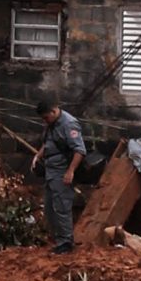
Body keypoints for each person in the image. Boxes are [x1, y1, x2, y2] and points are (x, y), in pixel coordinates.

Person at [31, 90, 86, 251]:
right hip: (50, 172)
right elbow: (49, 142)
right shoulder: (52, 124)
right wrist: (38, 156)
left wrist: (70, 171)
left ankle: (66, 243)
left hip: (62, 172)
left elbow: (80, 150)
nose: (45, 121)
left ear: (54, 111)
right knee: (49, 208)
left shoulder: (69, 124)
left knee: (62, 208)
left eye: (46, 117)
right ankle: (57, 239)